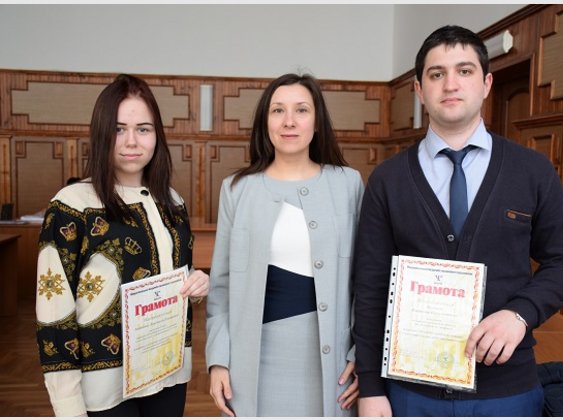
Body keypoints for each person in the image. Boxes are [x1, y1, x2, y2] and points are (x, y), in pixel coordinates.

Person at [353, 25, 563, 417]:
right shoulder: (387, 179)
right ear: (419, 89)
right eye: (436, 74)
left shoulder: (532, 169)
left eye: (464, 71)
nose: (450, 84)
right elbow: (372, 284)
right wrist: (371, 386)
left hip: (507, 389)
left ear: (486, 83)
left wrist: (520, 314)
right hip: (410, 391)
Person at [35, 74, 210, 417]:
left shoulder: (172, 202)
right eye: (118, 129)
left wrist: (197, 285)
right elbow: (53, 312)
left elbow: (179, 277)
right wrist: (68, 406)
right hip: (105, 388)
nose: (132, 142)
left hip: (168, 373)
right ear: (101, 134)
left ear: (157, 135)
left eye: (143, 129)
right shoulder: (72, 205)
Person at [206, 73, 364, 416]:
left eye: (301, 110)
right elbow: (221, 287)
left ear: (317, 121)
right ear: (265, 122)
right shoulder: (237, 189)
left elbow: (364, 280)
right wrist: (218, 360)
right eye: (278, 110)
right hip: (253, 363)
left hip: (334, 362)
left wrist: (361, 354)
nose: (289, 121)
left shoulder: (348, 184)